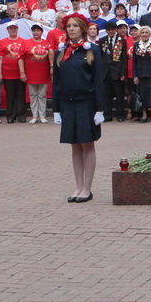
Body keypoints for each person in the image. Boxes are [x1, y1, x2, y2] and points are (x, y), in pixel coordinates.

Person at [53, 15, 106, 203]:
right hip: (68, 104)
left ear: (82, 28)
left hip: (87, 103)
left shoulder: (92, 51)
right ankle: (78, 186)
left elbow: (98, 81)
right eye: (68, 26)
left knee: (87, 144)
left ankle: (87, 188)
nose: (71, 29)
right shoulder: (61, 51)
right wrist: (56, 109)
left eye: (75, 26)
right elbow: (56, 81)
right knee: (74, 146)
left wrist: (99, 109)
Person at [132, 26, 151, 123]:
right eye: (143, 32)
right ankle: (144, 114)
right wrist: (135, 75)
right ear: (140, 34)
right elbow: (134, 61)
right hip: (141, 73)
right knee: (142, 94)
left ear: (150, 34)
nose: (144, 34)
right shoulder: (136, 45)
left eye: (146, 32)